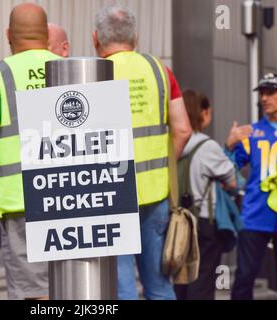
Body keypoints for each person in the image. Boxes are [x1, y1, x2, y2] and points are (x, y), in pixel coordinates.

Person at [93, 4, 192, 300]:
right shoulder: (158, 70)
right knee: (160, 286)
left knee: (121, 289)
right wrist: (161, 168)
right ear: (135, 37)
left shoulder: (91, 74)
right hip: (155, 193)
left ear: (95, 37)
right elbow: (184, 129)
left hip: (109, 195)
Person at [0, 3, 60, 300]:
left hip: (23, 199)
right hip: (73, 198)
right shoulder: (70, 67)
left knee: (34, 292)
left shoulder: (1, 74)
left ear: (8, 34)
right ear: (46, 34)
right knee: (72, 287)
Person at [227, 73, 277, 300]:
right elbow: (227, 169)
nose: (265, 98)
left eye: (271, 92)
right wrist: (229, 145)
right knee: (244, 279)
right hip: (254, 216)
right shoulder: (252, 132)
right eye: (262, 94)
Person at [174, 90, 237, 300]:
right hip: (203, 223)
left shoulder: (171, 143)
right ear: (203, 113)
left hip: (176, 223)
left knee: (180, 281)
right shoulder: (206, 145)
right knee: (203, 281)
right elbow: (233, 181)